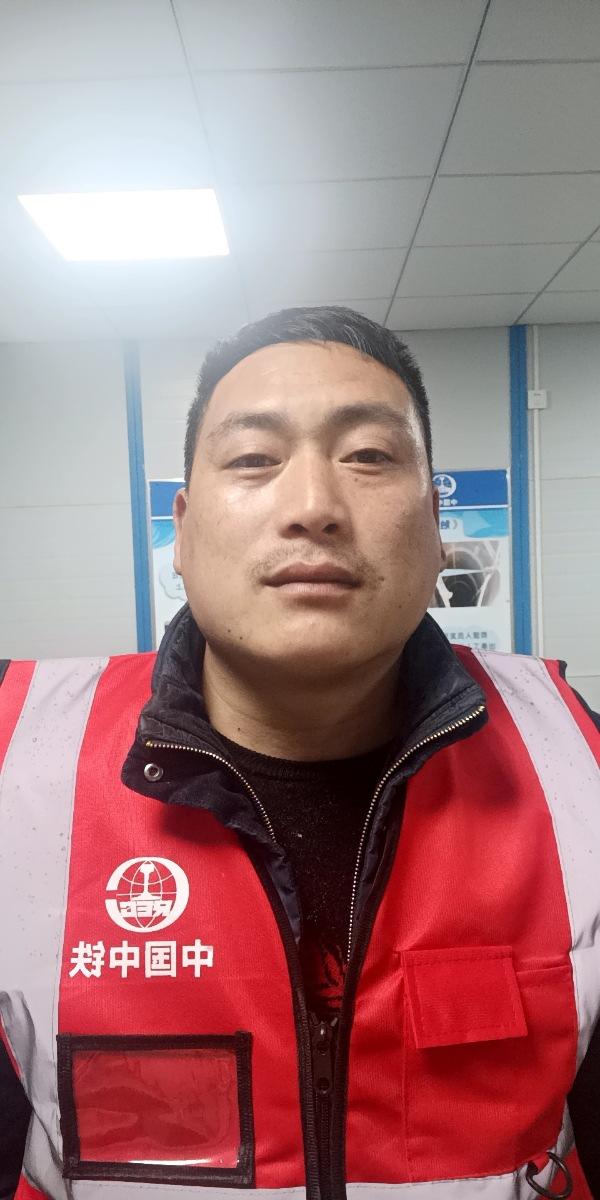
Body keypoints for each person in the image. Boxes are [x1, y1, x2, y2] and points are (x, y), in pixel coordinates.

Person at [1, 306, 599, 1200]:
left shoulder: (578, 765)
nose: (314, 507)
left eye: (369, 456)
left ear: (438, 526)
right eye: (253, 458)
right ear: (182, 531)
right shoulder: (18, 762)